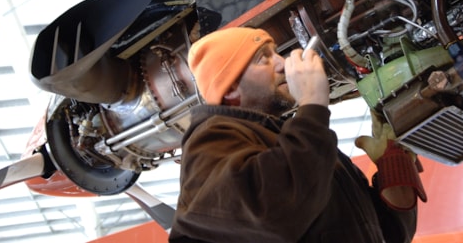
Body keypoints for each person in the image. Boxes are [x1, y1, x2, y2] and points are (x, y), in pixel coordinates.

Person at [169, 27, 426, 243]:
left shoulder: (301, 145)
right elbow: (272, 214)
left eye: (276, 53)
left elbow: (389, 235)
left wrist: (393, 162)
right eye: (263, 58)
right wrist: (313, 101)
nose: (283, 62)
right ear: (231, 88)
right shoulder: (211, 138)